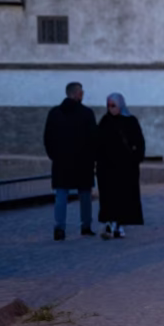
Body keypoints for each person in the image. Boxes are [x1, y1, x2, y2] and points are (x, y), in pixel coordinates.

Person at [43, 82, 97, 240]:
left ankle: (59, 228)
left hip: (61, 161)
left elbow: (48, 138)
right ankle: (85, 226)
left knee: (61, 195)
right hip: (83, 162)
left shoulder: (54, 113)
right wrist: (92, 158)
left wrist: (54, 155)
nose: (83, 94)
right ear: (77, 94)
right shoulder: (87, 113)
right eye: (82, 92)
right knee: (85, 195)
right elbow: (94, 138)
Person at [94, 93, 145, 239]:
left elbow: (139, 143)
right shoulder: (104, 121)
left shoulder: (131, 121)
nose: (111, 108)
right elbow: (98, 143)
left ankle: (119, 224)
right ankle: (110, 222)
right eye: (109, 105)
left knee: (123, 196)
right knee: (108, 196)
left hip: (125, 168)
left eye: (113, 105)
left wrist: (135, 159)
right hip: (107, 167)